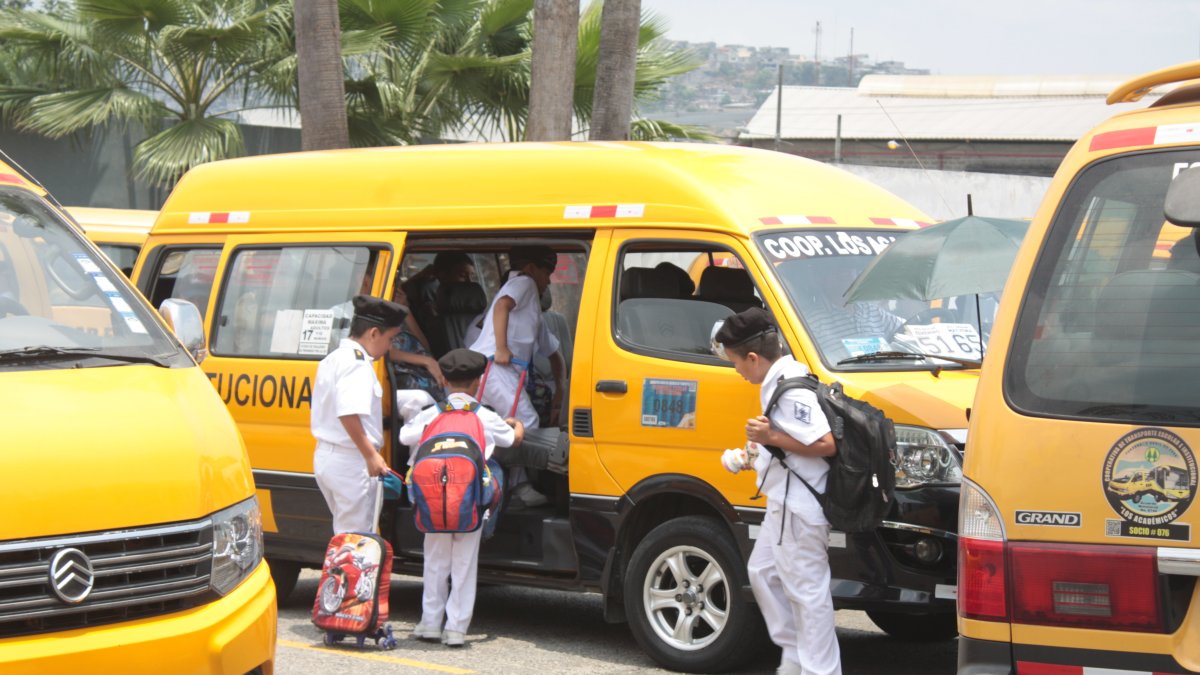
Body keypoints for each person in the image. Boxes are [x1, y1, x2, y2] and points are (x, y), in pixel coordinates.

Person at [715, 308, 841, 675]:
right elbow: (788, 445)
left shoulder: (790, 387)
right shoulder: (778, 381)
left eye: (736, 362)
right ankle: (795, 658)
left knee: (808, 594)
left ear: (753, 357)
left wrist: (769, 436)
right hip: (783, 503)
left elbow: (825, 443)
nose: (736, 370)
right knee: (763, 572)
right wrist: (751, 455)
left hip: (799, 508)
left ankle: (819, 670)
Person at [400, 348, 524, 648]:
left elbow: (404, 437)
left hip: (432, 501)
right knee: (464, 564)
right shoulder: (485, 416)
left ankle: (430, 624)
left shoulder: (431, 414)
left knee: (435, 561)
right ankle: (455, 628)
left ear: (444, 380)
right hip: (469, 501)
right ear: (478, 382)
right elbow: (512, 440)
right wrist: (517, 425)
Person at [468, 245, 565, 507]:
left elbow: (555, 355)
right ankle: (518, 485)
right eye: (547, 273)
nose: (548, 282)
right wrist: (501, 348)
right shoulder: (525, 282)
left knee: (507, 424)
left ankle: (503, 479)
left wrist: (560, 392)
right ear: (532, 268)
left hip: (503, 371)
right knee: (526, 422)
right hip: (495, 368)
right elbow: (502, 306)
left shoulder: (532, 309)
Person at [311, 295, 407, 534]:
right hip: (351, 462)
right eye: (390, 339)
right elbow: (348, 413)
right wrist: (371, 455)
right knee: (356, 540)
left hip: (331, 457)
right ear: (373, 333)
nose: (390, 347)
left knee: (346, 535)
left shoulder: (335, 358)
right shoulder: (357, 364)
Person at [388, 285, 448, 402]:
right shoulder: (372, 315)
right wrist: (426, 361)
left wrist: (404, 308)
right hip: (402, 381)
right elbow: (383, 351)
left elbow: (423, 346)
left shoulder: (399, 313)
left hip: (423, 377)